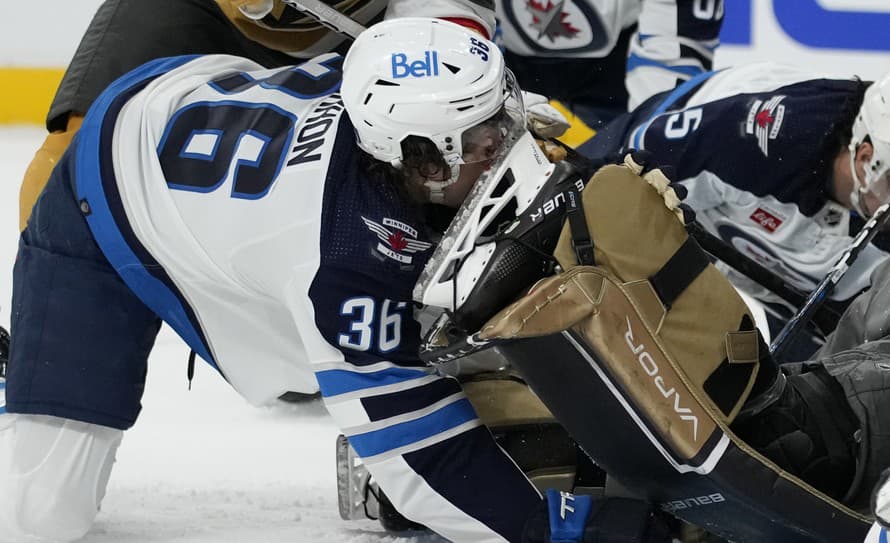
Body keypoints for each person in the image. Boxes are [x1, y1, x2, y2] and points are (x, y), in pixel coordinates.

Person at [0, 17, 664, 543]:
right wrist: (555, 528)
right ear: (423, 160)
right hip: (106, 195)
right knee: (41, 513)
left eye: (499, 112)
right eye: (484, 134)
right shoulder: (341, 257)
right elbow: (421, 459)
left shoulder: (410, 142)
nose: (506, 138)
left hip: (193, 103)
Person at [17, 0, 498, 232]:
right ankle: (44, 319)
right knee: (85, 143)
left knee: (435, 147)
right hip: (201, 9)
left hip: (376, 32)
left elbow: (448, 41)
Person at [585, 62, 890, 360]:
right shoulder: (764, 140)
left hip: (771, 263)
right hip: (676, 163)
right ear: (867, 158)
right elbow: (614, 176)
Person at [496, 0, 724, 145]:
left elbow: (674, 54)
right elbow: (467, 20)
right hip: (505, 62)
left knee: (645, 165)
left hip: (616, 80)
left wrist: (644, 142)